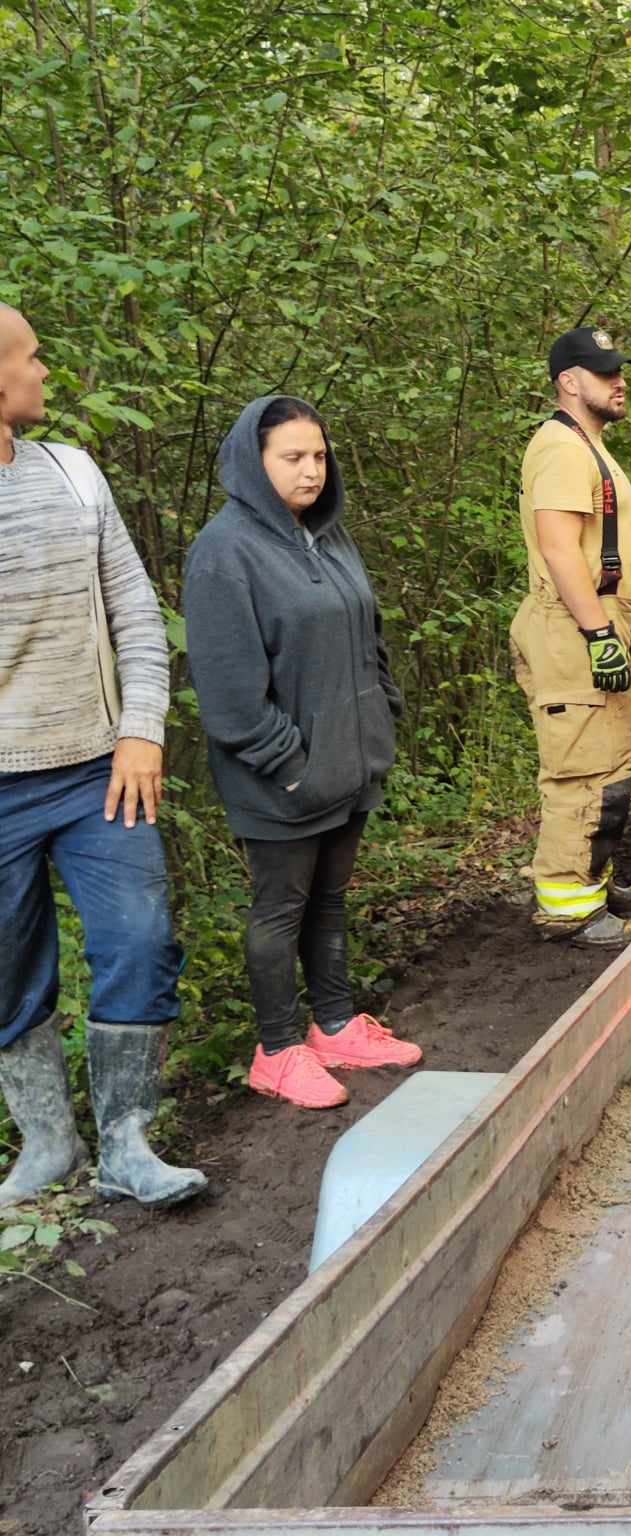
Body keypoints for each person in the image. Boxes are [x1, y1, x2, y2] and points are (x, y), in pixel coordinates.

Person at [0, 305, 205, 1207]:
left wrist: (142, 728)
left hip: (96, 771)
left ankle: (126, 1142)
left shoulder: (76, 476)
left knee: (141, 940)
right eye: (31, 356)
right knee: (7, 972)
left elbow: (137, 617)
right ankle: (48, 1144)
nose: (46, 369)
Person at [183, 397, 423, 1110]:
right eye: (292, 457)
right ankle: (278, 1049)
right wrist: (296, 766)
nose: (311, 470)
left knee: (329, 901)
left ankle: (336, 1026)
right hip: (281, 780)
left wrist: (380, 722)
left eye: (318, 455)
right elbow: (229, 701)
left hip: (351, 764)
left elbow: (369, 638)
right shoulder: (224, 553)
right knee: (279, 910)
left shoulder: (330, 536)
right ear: (253, 464)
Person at [511, 327, 631, 948]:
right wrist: (598, 632)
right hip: (575, 625)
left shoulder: (586, 446)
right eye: (603, 373)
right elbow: (558, 548)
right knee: (579, 768)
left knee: (607, 764)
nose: (618, 381)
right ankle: (567, 904)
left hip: (594, 622)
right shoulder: (561, 449)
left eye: (618, 370)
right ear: (569, 382)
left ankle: (590, 881)